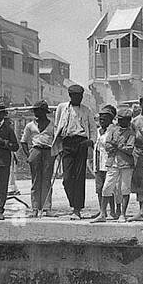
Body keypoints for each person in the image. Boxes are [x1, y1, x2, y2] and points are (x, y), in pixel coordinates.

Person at [53, 83, 94, 219]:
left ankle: (77, 209)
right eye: (76, 96)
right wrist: (58, 145)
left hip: (81, 143)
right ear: (70, 96)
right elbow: (57, 126)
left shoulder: (87, 110)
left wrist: (91, 141)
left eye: (81, 96)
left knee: (79, 177)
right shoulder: (62, 108)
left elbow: (92, 129)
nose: (79, 98)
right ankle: (73, 203)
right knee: (67, 178)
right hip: (67, 143)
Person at [100, 107, 138, 221]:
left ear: (129, 120)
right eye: (120, 120)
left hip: (126, 164)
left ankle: (122, 214)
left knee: (124, 189)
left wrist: (116, 145)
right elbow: (107, 145)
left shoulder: (131, 133)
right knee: (107, 187)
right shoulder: (112, 129)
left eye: (124, 120)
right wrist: (120, 146)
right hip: (112, 162)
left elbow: (130, 149)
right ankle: (102, 214)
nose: (121, 122)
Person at [20, 100, 55, 217]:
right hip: (36, 150)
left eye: (37, 110)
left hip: (49, 151)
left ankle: (47, 207)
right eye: (34, 110)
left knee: (46, 180)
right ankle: (35, 208)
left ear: (44, 111)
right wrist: (28, 156)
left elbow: (57, 140)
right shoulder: (30, 125)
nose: (35, 112)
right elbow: (23, 141)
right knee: (35, 180)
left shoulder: (52, 125)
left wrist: (56, 153)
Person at [90, 107, 117, 221]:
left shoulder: (113, 130)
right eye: (100, 119)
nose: (101, 121)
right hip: (98, 162)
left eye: (104, 119)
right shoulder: (97, 131)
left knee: (109, 188)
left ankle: (113, 211)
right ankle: (102, 211)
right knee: (99, 188)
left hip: (109, 162)